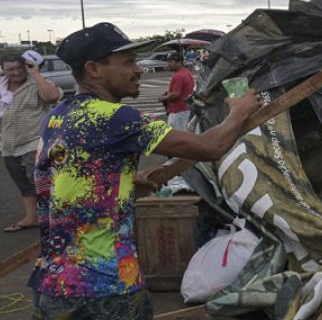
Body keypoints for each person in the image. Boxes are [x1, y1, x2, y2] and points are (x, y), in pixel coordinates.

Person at [30, 22, 261, 319]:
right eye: (128, 63)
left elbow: (65, 175)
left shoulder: (57, 116)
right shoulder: (116, 118)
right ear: (94, 69)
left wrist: (124, 180)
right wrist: (239, 111)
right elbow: (209, 147)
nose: (138, 69)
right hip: (106, 288)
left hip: (53, 284)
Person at [1, 53, 62, 232]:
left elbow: (52, 97)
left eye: (20, 67)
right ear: (3, 70)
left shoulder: (36, 84)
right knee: (24, 184)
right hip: (9, 145)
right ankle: (31, 218)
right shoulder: (2, 88)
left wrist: (35, 74)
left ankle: (56, 219)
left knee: (42, 182)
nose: (16, 72)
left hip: (34, 142)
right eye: (10, 69)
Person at [158, 52, 194, 131]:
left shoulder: (178, 76)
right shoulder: (187, 72)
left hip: (178, 111)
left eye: (170, 62)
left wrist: (163, 98)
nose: (168, 64)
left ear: (178, 62)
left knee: (177, 136)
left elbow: (176, 94)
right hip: (186, 108)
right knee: (186, 133)